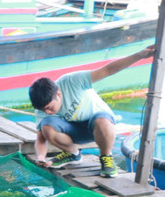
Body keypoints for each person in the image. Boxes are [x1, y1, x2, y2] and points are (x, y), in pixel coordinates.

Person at [29, 44, 155, 178]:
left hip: (97, 127)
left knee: (102, 119)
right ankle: (73, 154)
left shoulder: (71, 81)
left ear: (58, 94)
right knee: (46, 126)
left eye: (49, 107)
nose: (47, 112)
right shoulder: (42, 107)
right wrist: (41, 156)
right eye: (43, 110)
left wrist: (140, 55)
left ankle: (106, 157)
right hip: (74, 133)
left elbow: (107, 70)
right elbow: (41, 140)